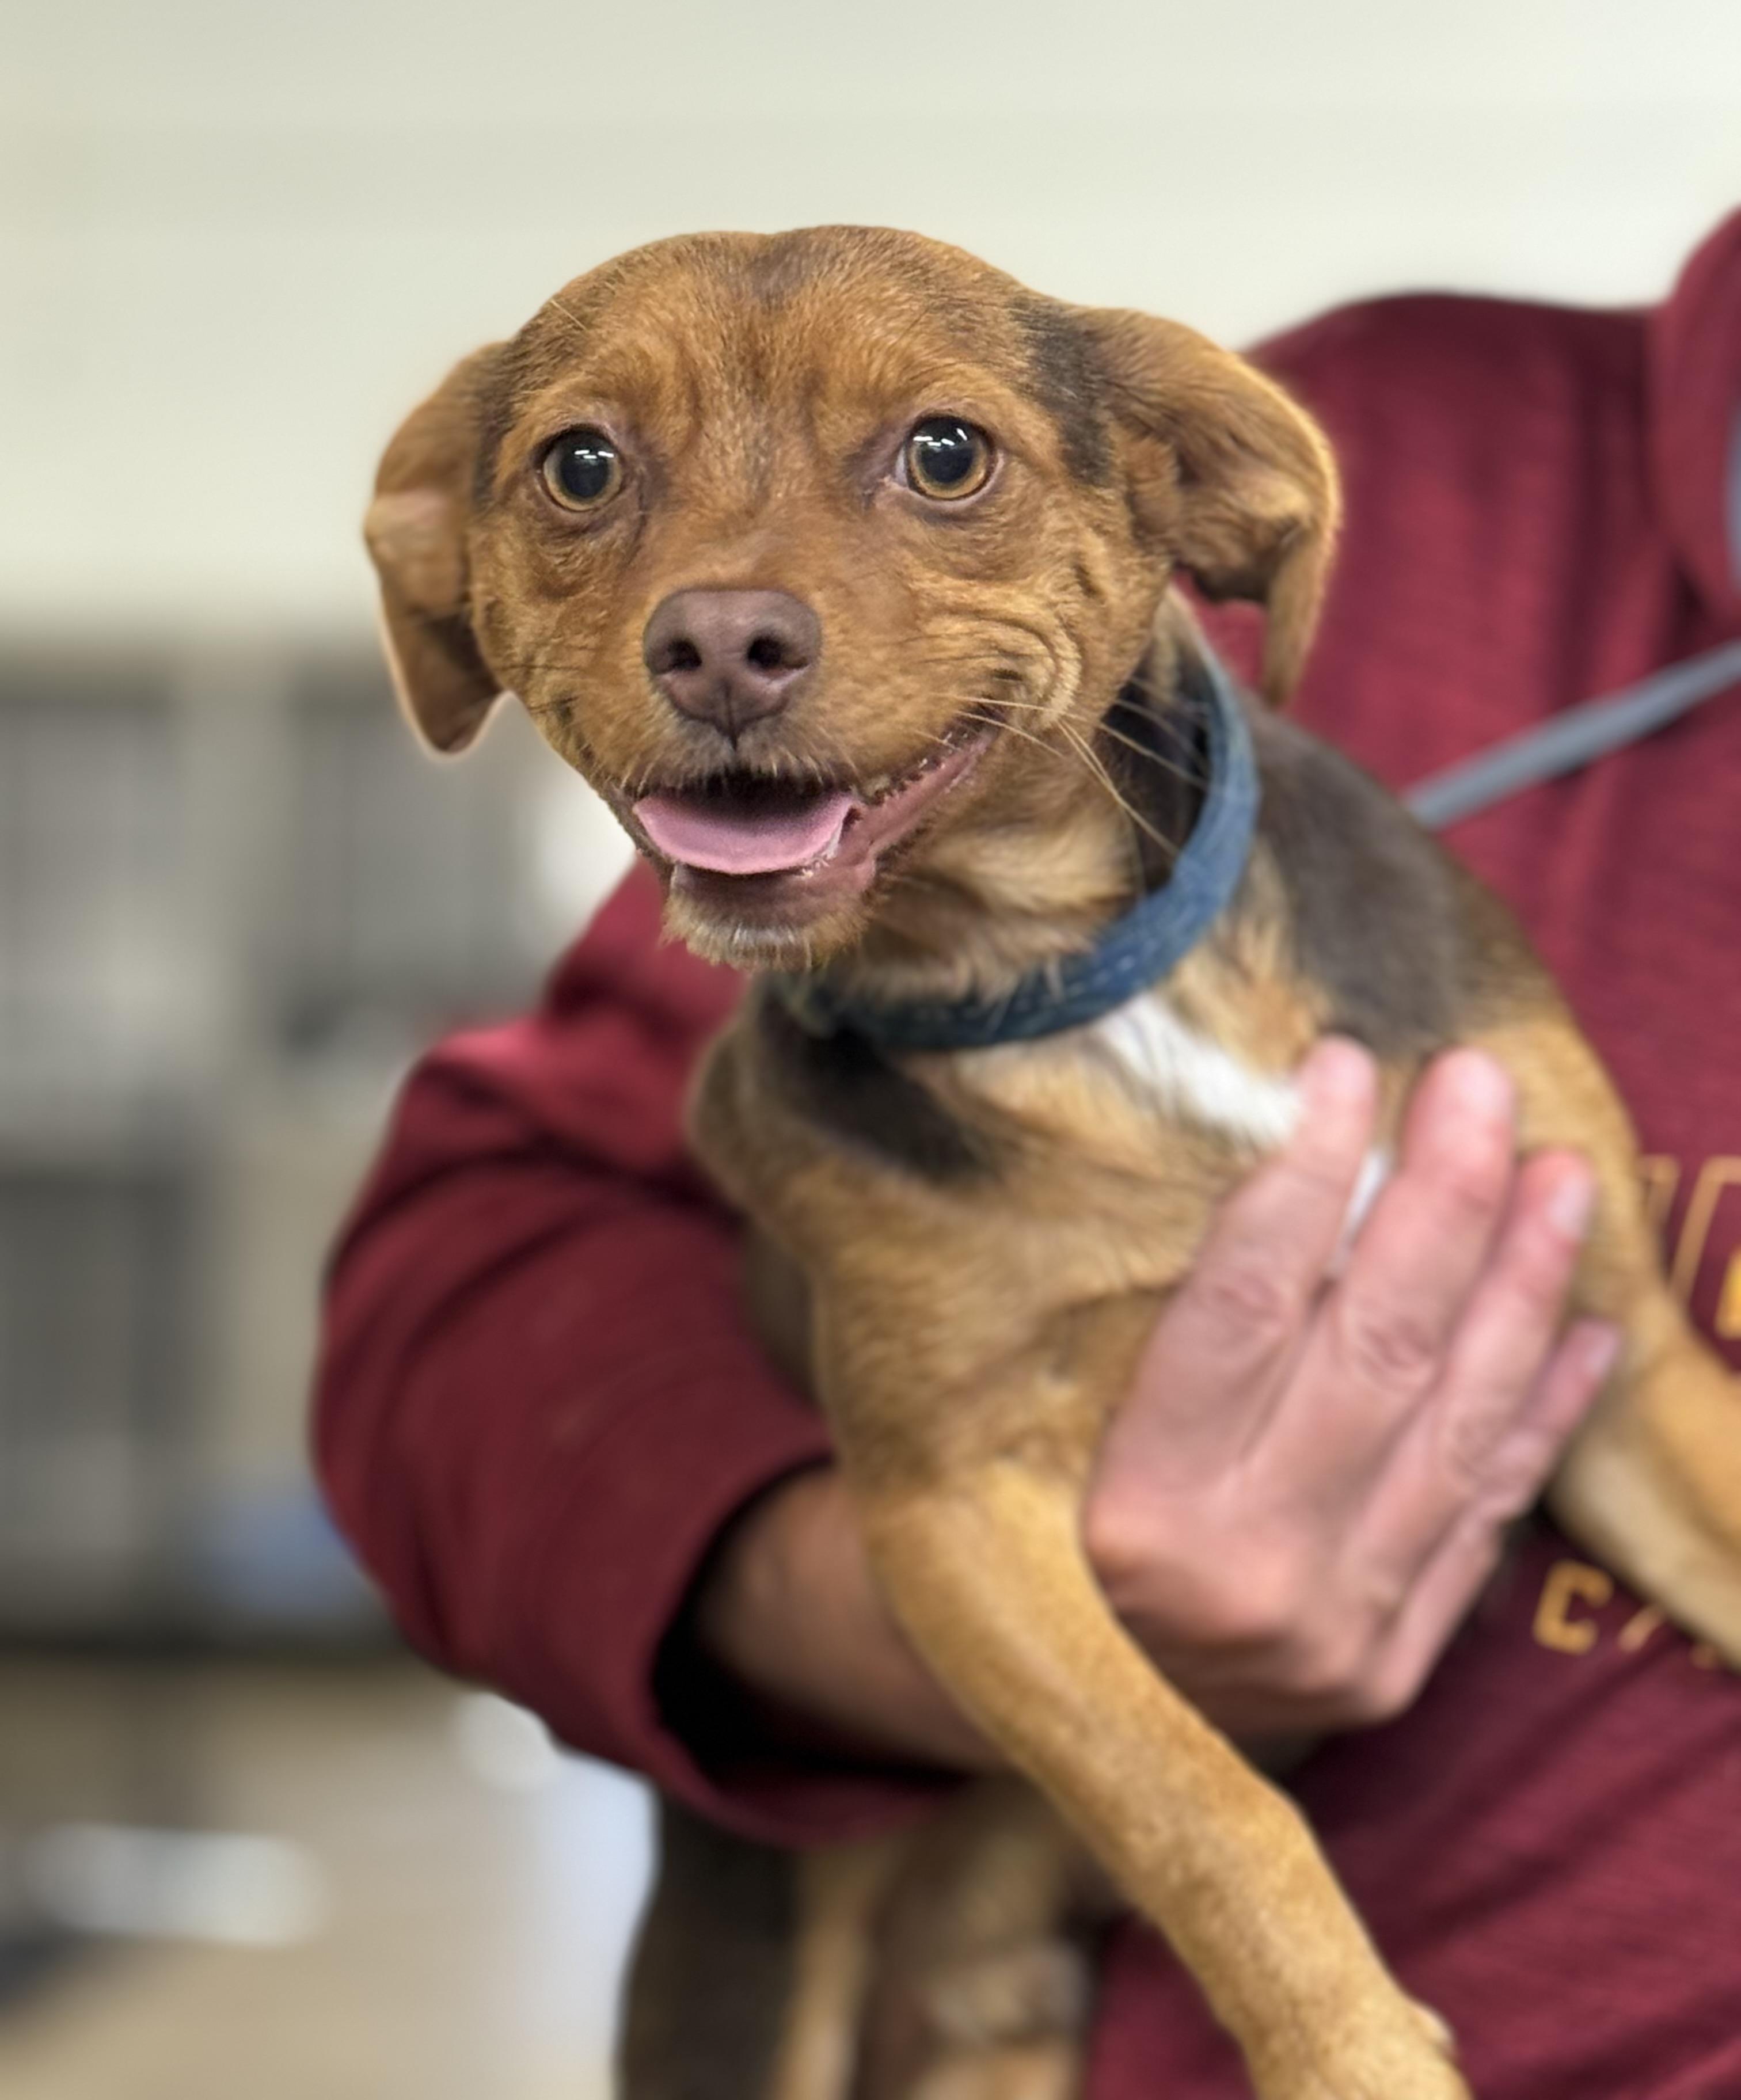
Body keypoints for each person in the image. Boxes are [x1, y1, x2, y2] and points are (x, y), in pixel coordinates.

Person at [317, 211, 1741, 2098]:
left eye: (942, 458)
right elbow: (475, 1271)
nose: (729, 608)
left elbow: (1634, 1387)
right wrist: (849, 1622)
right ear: (450, 562)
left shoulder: (1413, 938)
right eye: (586, 471)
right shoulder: (1416, 444)